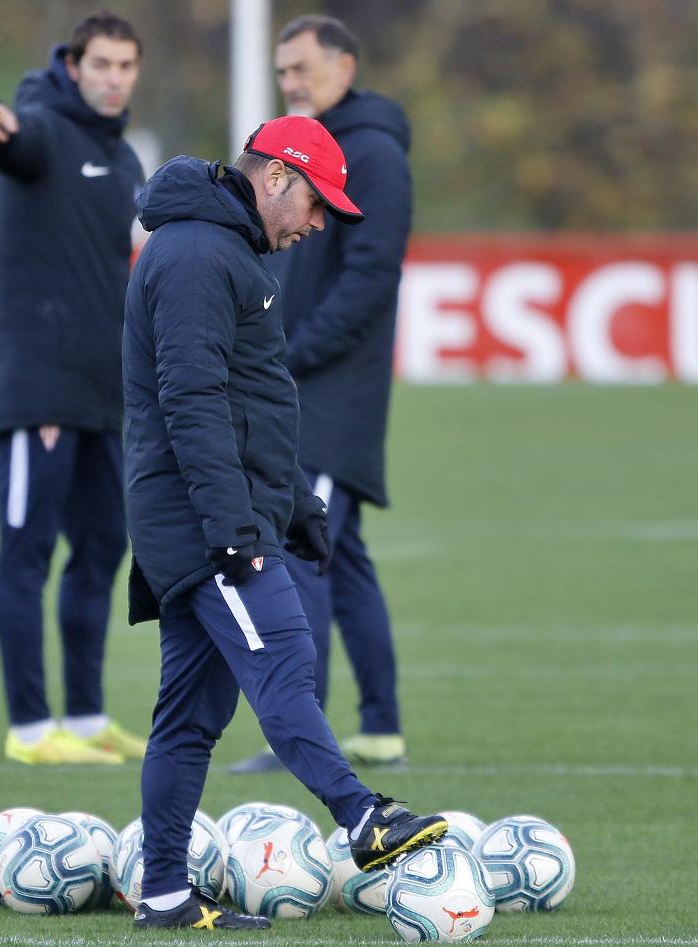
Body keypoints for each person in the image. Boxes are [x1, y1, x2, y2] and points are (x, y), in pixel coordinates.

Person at [122, 115, 447, 931]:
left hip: (219, 509)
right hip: (202, 520)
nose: (316, 224)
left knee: (190, 715)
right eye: (314, 203)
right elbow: (191, 401)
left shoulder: (227, 251)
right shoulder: (197, 254)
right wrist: (236, 531)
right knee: (285, 655)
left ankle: (163, 895)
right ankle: (364, 818)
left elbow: (252, 400)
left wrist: (295, 503)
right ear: (274, 178)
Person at [230, 14, 412, 774]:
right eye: (281, 72)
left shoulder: (372, 154)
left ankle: (300, 733)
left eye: (301, 69)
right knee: (344, 554)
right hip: (305, 387)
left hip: (330, 397)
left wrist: (289, 358)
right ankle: (381, 727)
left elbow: (370, 280)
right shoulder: (316, 153)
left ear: (344, 65)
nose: (290, 83)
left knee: (303, 551)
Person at [0, 11, 148, 766]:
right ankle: (30, 731)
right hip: (38, 393)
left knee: (103, 549)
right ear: (73, 66)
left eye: (126, 66)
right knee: (27, 554)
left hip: (104, 395)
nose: (113, 78)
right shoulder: (41, 127)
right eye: (101, 64)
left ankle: (84, 717)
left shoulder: (128, 159)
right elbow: (12, 141)